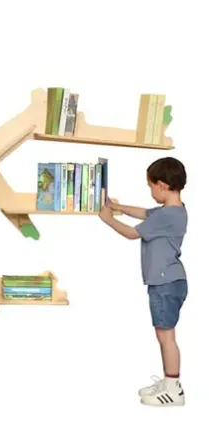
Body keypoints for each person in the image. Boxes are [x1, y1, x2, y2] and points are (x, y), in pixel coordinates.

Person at [99, 157, 187, 407]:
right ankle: (169, 383)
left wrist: (108, 218)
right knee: (165, 335)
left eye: (150, 187)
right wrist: (117, 206)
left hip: (164, 283)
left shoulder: (166, 215)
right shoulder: (175, 210)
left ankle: (173, 389)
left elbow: (131, 233)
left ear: (161, 185)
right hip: (170, 281)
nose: (150, 192)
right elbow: (144, 213)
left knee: (166, 337)